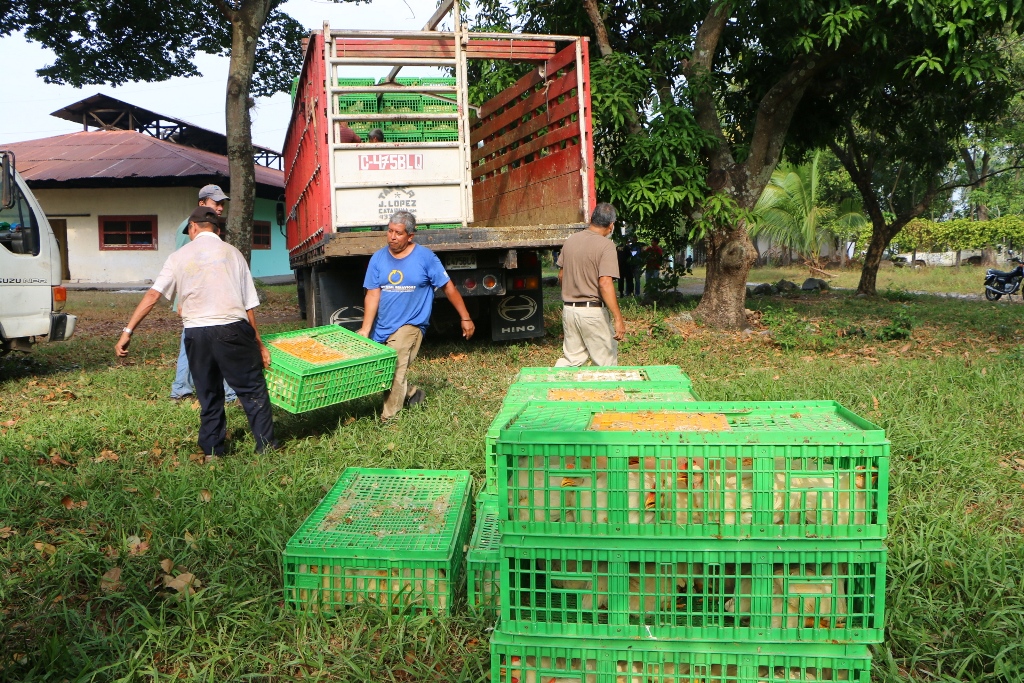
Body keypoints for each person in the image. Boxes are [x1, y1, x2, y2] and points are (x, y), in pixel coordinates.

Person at [115, 207, 277, 458]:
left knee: (208, 392)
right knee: (252, 390)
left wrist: (128, 330)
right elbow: (248, 305)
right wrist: (259, 343)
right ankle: (266, 448)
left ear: (192, 227)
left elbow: (153, 295)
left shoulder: (178, 256)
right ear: (217, 230)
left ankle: (213, 452)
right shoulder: (233, 253)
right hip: (232, 329)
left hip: (196, 334)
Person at [357, 210, 475, 420]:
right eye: (390, 231)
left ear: (410, 236)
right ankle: (412, 393)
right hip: (384, 326)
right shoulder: (377, 259)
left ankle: (389, 420)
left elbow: (448, 287)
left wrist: (465, 317)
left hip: (411, 325)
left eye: (398, 233)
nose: (392, 236)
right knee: (380, 372)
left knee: (394, 367)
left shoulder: (425, 257)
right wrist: (366, 329)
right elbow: (373, 294)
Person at [170, 184, 237, 403]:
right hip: (194, 299)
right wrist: (181, 300)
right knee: (195, 344)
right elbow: (182, 266)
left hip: (210, 297)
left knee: (203, 343)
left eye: (222, 204)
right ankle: (182, 389)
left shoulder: (211, 228)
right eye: (215, 203)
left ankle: (186, 390)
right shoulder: (189, 228)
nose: (220, 207)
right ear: (202, 203)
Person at [554, 202, 626, 367]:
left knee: (572, 361)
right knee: (605, 363)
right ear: (611, 225)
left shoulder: (571, 241)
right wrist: (618, 318)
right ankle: (604, 392)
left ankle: (554, 388)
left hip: (569, 311)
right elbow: (605, 283)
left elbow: (561, 276)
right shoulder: (606, 245)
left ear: (592, 220)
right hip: (592, 312)